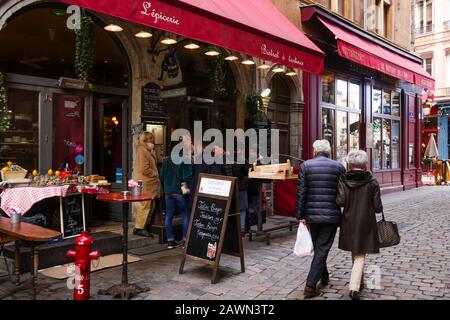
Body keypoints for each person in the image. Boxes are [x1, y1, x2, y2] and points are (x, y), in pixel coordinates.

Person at [295, 140, 346, 299]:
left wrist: (300, 215)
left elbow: (301, 192)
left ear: (314, 151)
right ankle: (312, 284)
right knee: (322, 248)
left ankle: (318, 280)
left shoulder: (306, 166)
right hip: (331, 215)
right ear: (329, 151)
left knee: (320, 248)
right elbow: (343, 193)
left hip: (311, 215)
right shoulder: (338, 167)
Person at [336, 150, 383, 300]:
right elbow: (378, 207)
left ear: (350, 164)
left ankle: (359, 281)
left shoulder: (343, 180)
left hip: (349, 220)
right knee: (360, 253)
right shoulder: (372, 182)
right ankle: (354, 287)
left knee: (356, 251)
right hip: (366, 221)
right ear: (365, 164)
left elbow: (340, 201)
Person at [160, 141, 193, 249]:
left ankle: (170, 241)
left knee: (169, 216)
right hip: (180, 192)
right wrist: (190, 187)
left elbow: (161, 176)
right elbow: (188, 176)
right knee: (185, 215)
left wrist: (167, 186)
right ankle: (185, 241)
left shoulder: (166, 159)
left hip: (168, 192)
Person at [133, 132, 161, 237]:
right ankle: (139, 227)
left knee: (151, 205)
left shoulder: (149, 150)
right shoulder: (142, 151)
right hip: (146, 183)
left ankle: (144, 226)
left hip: (150, 183)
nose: (152, 141)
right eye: (149, 139)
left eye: (152, 138)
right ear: (144, 141)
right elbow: (144, 169)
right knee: (145, 205)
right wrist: (155, 173)